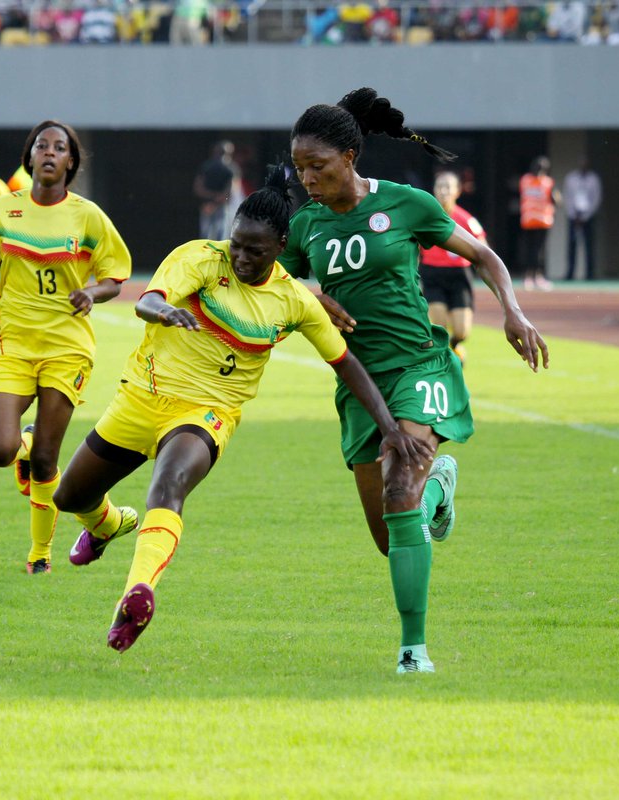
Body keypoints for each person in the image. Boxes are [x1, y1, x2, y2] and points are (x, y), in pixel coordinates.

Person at [51, 167, 435, 654]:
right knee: (70, 496)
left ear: (281, 247)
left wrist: (388, 428)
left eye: (256, 250)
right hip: (140, 399)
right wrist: (163, 311)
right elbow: (147, 300)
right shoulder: (200, 259)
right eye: (237, 244)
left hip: (206, 414)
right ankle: (108, 525)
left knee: (168, 487)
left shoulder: (293, 300)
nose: (242, 258)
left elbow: (346, 363)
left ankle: (136, 593)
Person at [283, 88, 548, 674]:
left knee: (400, 490)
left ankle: (413, 652)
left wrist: (513, 309)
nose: (307, 178)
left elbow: (485, 257)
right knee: (391, 536)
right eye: (299, 167)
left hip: (417, 365)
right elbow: (271, 281)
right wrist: (313, 294)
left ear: (350, 157)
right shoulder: (303, 226)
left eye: (318, 166)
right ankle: (439, 487)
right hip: (357, 382)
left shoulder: (406, 204)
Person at [0, 120, 132, 574]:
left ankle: (39, 555)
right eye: (41, 144)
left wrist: (92, 294)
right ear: (30, 157)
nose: (49, 151)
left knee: (46, 458)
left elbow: (115, 278)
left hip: (67, 346)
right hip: (14, 343)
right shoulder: (1, 211)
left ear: (70, 162)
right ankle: (22, 443)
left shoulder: (88, 216)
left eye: (59, 147)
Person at [419, 171, 488, 364]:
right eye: (439, 186)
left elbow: (483, 248)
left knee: (462, 331)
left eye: (448, 186)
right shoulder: (424, 218)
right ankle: (445, 364)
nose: (443, 191)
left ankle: (456, 346)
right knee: (439, 327)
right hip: (432, 274)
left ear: (457, 191)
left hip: (459, 276)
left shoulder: (466, 219)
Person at [518, 156, 558, 291]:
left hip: (535, 220)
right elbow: (555, 200)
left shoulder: (525, 180)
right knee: (535, 251)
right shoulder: (546, 182)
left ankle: (534, 277)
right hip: (537, 220)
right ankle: (532, 277)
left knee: (536, 251)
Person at [563, 157, 602, 280]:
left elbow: (596, 199)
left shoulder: (594, 179)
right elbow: (567, 197)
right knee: (571, 245)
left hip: (587, 217)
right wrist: (573, 215)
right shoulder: (570, 178)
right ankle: (570, 273)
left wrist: (585, 216)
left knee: (589, 246)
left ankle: (590, 274)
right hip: (573, 216)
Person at [194, 140, 236, 241]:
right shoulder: (230, 169)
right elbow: (230, 193)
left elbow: (198, 189)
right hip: (217, 206)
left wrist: (211, 202)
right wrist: (216, 200)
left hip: (209, 206)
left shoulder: (206, 166)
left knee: (207, 237)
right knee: (219, 237)